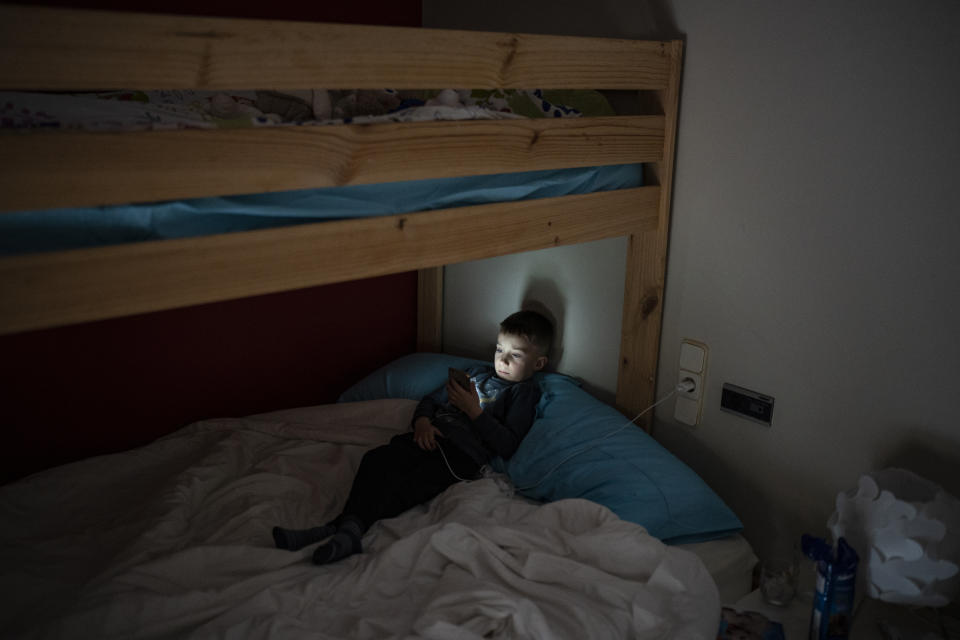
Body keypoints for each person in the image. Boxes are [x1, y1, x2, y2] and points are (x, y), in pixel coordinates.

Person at [272, 309, 553, 565]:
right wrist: (421, 422)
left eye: (515, 355)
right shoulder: (476, 374)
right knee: (377, 460)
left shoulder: (522, 393)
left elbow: (507, 443)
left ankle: (340, 528)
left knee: (405, 485)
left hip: (459, 455)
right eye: (499, 349)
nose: (502, 360)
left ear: (538, 363)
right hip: (427, 437)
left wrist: (473, 411)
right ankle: (344, 530)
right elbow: (431, 401)